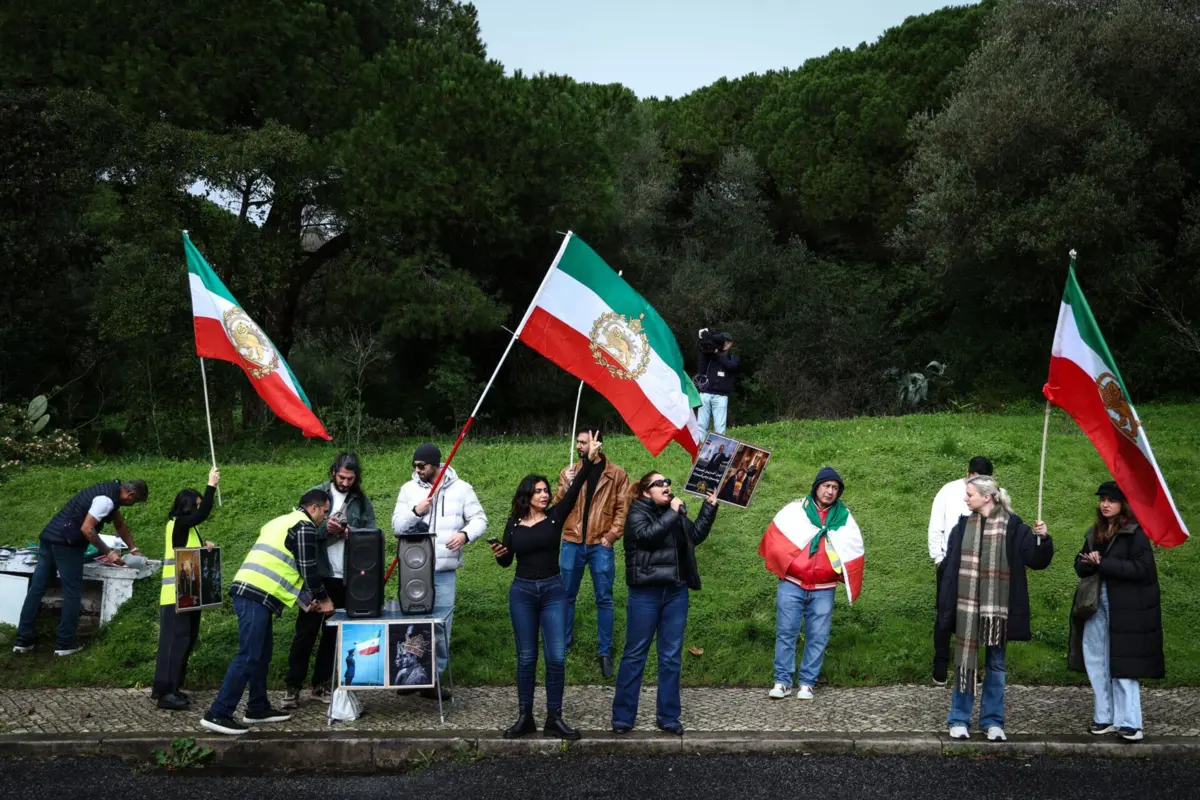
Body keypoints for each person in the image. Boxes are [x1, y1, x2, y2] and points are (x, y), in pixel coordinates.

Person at [490, 436, 602, 741]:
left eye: (546, 490)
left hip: (553, 591)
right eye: (538, 490)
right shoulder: (513, 523)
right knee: (526, 657)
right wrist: (502, 555)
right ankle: (525, 716)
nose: (544, 494)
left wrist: (590, 459)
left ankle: (554, 717)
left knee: (556, 657)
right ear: (526, 495)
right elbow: (508, 561)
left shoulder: (555, 517)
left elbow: (577, 487)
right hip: (522, 592)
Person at [201, 489, 335, 736]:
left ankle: (257, 707)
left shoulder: (280, 522)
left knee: (261, 653)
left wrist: (307, 602)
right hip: (254, 595)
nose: (325, 518)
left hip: (254, 592)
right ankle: (218, 713)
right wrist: (324, 599)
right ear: (313, 508)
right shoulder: (304, 527)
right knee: (249, 654)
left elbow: (282, 569)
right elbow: (308, 569)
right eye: (325, 512)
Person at [937, 475, 1053, 742]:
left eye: (970, 494)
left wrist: (1043, 539)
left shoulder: (1015, 527)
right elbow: (951, 569)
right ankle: (959, 719)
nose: (965, 498)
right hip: (968, 608)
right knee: (964, 662)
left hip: (998, 610)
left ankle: (993, 721)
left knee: (996, 664)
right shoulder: (962, 526)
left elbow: (1036, 560)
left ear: (986, 497)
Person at [611, 472, 718, 735]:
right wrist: (673, 512)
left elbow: (693, 536)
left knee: (670, 657)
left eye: (667, 482)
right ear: (646, 491)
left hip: (675, 592)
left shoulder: (675, 511)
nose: (667, 486)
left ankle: (668, 716)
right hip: (646, 594)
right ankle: (623, 716)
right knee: (635, 654)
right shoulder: (637, 512)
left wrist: (709, 507)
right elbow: (649, 536)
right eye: (660, 483)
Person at [391, 443, 488, 699]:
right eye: (415, 466)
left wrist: (465, 535)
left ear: (436, 464)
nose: (418, 470)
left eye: (422, 466)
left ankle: (433, 680)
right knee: (414, 625)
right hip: (414, 572)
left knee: (441, 626)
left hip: (444, 570)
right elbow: (397, 526)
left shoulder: (461, 489)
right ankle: (410, 677)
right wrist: (415, 511)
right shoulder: (408, 490)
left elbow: (480, 518)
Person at [1068, 481, 1163, 742]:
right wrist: (1087, 563)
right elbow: (1080, 563)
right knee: (1096, 657)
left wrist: (1105, 564)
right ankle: (1104, 716)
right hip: (1096, 602)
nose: (1105, 504)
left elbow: (1143, 569)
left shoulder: (1135, 532)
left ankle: (1130, 722)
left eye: (1111, 500)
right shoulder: (1095, 532)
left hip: (1127, 606)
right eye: (1102, 500)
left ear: (1122, 504)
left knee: (1123, 662)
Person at [760, 467, 865, 701]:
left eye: (835, 488)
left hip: (824, 588)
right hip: (792, 583)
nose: (830, 491)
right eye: (826, 486)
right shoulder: (795, 510)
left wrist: (840, 575)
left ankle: (807, 682)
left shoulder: (844, 518)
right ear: (816, 486)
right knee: (786, 632)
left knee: (818, 635)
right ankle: (783, 681)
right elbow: (775, 536)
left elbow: (853, 548)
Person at [14, 479, 149, 656]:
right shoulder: (106, 501)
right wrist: (109, 552)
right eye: (134, 501)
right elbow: (87, 529)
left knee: (37, 588)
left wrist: (133, 549)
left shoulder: (110, 493)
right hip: (67, 544)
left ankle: (23, 642)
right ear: (130, 495)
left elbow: (120, 525)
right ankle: (64, 644)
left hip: (49, 538)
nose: (132, 504)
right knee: (72, 592)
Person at [283, 452, 376, 709]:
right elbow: (301, 533)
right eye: (341, 477)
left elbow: (372, 535)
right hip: (317, 573)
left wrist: (349, 533)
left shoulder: (362, 501)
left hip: (346, 576)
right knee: (305, 633)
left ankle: (320, 685)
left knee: (333, 634)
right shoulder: (316, 495)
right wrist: (327, 530)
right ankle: (293, 687)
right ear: (333, 472)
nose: (345, 483)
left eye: (350, 478)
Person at [554, 425, 630, 679]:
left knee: (604, 598)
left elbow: (623, 508)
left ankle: (604, 651)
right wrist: (569, 482)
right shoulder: (569, 471)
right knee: (566, 596)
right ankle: (562, 646)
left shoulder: (617, 475)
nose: (578, 446)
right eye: (578, 442)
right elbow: (558, 506)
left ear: (598, 444)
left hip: (600, 544)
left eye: (584, 442)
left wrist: (611, 535)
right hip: (572, 541)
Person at [152, 467, 221, 710]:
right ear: (187, 506)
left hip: (189, 595)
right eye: (197, 504)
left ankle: (174, 687)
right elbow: (202, 515)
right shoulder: (178, 524)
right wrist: (211, 485)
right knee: (174, 642)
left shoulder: (188, 529)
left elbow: (189, 555)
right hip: (175, 596)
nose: (200, 509)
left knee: (186, 641)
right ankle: (165, 692)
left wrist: (206, 547)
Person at [928, 456, 994, 685]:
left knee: (974, 614)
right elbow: (936, 525)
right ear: (967, 474)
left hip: (980, 564)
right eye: (973, 479)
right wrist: (939, 559)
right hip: (949, 562)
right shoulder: (948, 491)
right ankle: (940, 666)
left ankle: (970, 667)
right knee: (945, 613)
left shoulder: (993, 496)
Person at [696, 331, 737, 437]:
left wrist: (718, 354)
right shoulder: (710, 355)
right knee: (701, 425)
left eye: (728, 342)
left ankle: (718, 450)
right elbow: (701, 369)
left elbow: (731, 366)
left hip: (721, 395)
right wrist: (705, 351)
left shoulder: (732, 357)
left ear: (731, 344)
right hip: (706, 393)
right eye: (724, 341)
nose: (725, 344)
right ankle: (699, 449)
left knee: (720, 426)